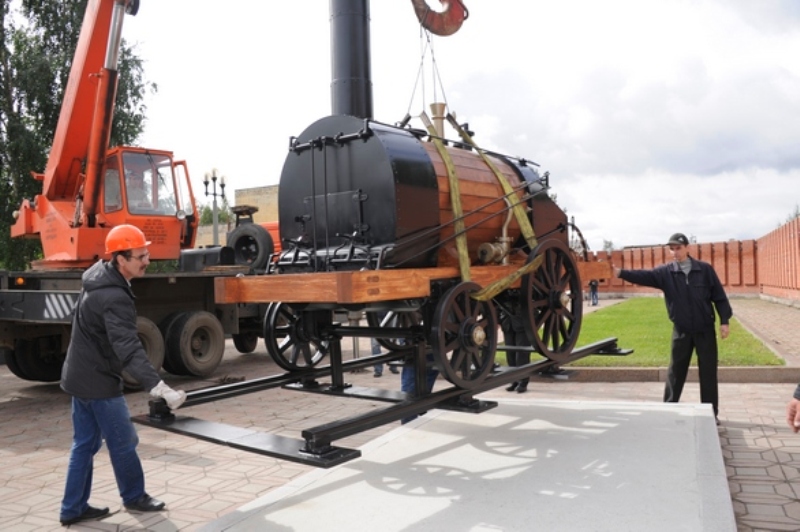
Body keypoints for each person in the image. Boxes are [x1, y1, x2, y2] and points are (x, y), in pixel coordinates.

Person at [59, 225, 187, 526]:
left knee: (85, 444)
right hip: (97, 381)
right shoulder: (113, 295)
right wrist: (157, 385)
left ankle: (72, 507)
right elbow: (127, 346)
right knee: (123, 440)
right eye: (140, 256)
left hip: (80, 376)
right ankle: (134, 496)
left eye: (147, 254)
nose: (146, 261)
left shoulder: (97, 277)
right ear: (120, 259)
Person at [614, 232, 732, 423]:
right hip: (682, 330)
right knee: (676, 371)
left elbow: (719, 296)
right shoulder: (665, 273)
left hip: (705, 330)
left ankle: (710, 413)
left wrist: (724, 321)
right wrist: (620, 273)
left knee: (708, 372)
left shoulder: (705, 270)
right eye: (672, 249)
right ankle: (669, 408)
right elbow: (644, 276)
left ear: (687, 248)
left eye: (678, 248)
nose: (675, 252)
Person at [499, 302, 531, 393]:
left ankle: (523, 381)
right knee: (510, 354)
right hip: (507, 322)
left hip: (521, 321)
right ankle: (514, 380)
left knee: (521, 354)